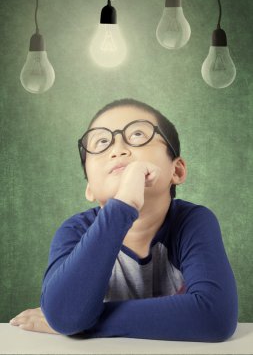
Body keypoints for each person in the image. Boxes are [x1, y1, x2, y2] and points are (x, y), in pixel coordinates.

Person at [9, 98, 238, 341]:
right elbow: (65, 314)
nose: (117, 149)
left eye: (138, 134)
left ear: (177, 170)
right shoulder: (75, 231)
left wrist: (83, 325)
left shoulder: (193, 221)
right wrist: (124, 204)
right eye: (101, 142)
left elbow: (214, 317)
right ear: (90, 189)